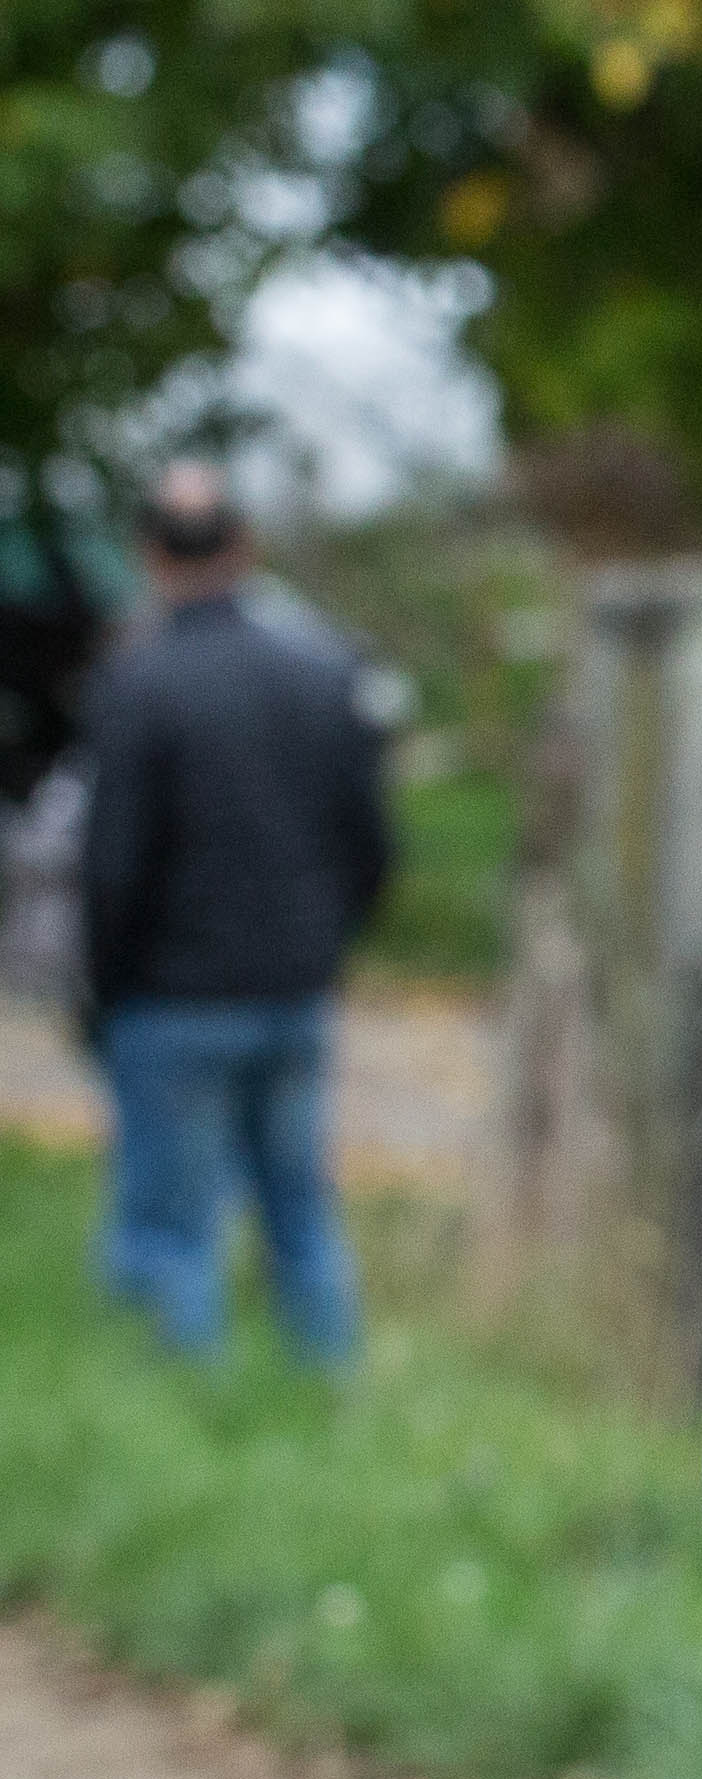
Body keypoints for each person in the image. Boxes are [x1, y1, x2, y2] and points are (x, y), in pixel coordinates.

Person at [76, 461, 390, 1369]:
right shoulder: (324, 671)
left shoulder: (138, 682)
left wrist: (106, 986)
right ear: (245, 546)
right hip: (294, 988)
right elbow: (371, 844)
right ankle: (331, 1382)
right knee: (301, 1206)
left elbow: (112, 864)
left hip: (173, 996)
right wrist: (324, 942)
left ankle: (189, 1403)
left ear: (147, 554)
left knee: (174, 1225)